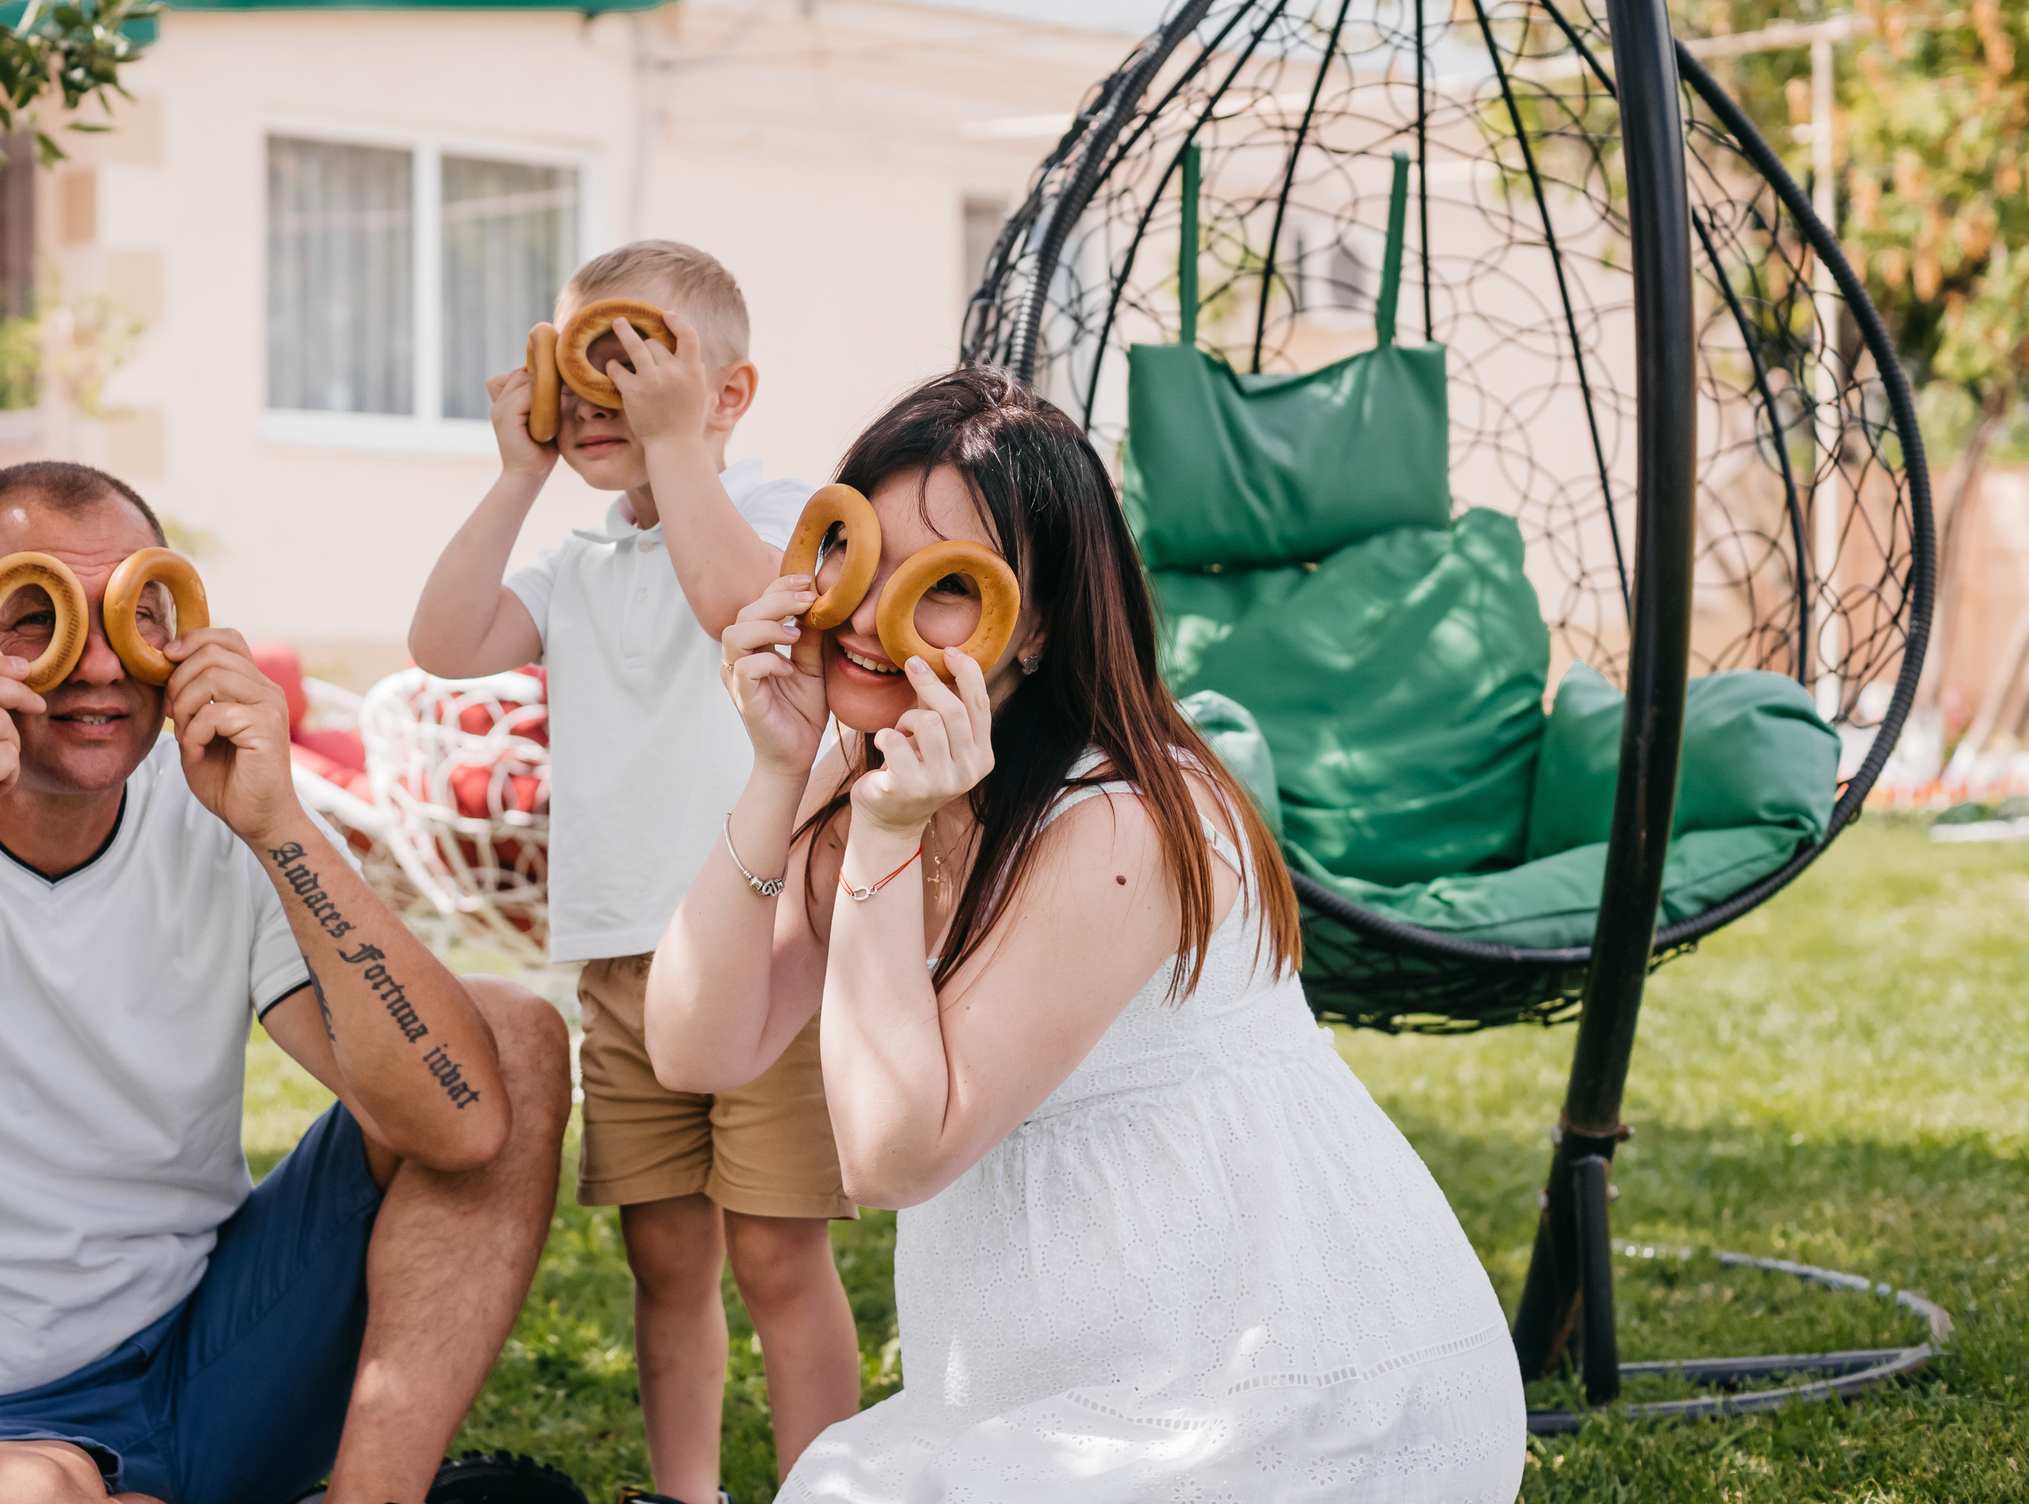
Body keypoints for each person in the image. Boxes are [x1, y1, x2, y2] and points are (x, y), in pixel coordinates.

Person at [647, 374, 1527, 1501]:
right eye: (849, 559)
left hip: (1290, 1383)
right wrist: (778, 772)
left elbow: (893, 1156)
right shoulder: (883, 772)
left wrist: (881, 838)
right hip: (1053, 1385)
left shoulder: (1118, 823)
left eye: (942, 587)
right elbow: (697, 1048)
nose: (868, 618)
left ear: (1040, 621)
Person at [0, 462, 572, 1504]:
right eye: (34, 619)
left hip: (208, 1363)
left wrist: (281, 827)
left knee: (512, 1037)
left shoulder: (215, 801)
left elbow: (458, 1123)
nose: (96, 664)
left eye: (136, 613)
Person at [410, 241, 857, 1503]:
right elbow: (443, 642)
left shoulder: (782, 524)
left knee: (777, 1255)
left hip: (763, 953)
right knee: (667, 1257)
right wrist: (516, 475)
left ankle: (829, 1488)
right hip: (620, 955)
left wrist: (668, 446)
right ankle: (686, 1492)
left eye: (641, 359)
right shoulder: (580, 565)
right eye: (581, 361)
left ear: (728, 396)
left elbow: (739, 612)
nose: (603, 388)